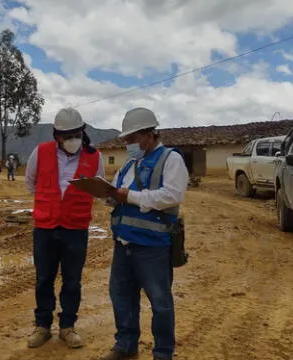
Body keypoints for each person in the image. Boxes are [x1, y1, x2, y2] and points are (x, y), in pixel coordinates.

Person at [99, 107, 189, 360]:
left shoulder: (171, 159)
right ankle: (126, 345)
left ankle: (163, 353)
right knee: (121, 296)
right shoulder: (128, 166)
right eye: (126, 140)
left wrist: (131, 196)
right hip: (123, 243)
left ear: (149, 134)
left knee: (160, 302)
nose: (128, 145)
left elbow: (172, 195)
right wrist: (108, 196)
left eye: (132, 139)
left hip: (153, 247)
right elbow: (117, 193)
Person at [25, 107, 105, 349]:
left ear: (82, 132)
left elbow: (98, 187)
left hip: (76, 229)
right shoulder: (40, 153)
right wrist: (50, 204)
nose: (71, 140)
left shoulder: (95, 157)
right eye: (66, 135)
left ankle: (67, 327)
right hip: (46, 228)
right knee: (44, 279)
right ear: (56, 135)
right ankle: (43, 326)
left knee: (72, 281)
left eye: (75, 134)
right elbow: (31, 183)